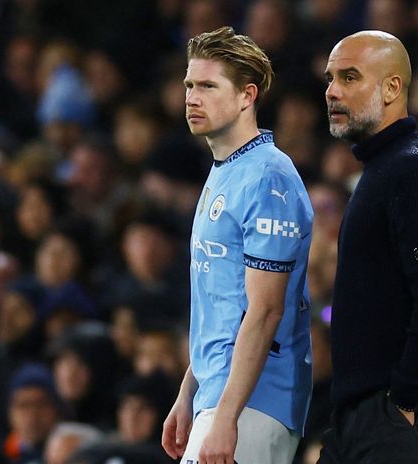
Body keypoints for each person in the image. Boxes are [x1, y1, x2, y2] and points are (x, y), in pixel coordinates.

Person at [161, 26, 314, 464]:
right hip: (221, 393)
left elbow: (264, 310)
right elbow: (223, 304)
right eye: (189, 84)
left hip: (255, 401)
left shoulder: (268, 179)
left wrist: (226, 416)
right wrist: (189, 391)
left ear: (247, 96)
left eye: (208, 86)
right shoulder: (226, 170)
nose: (192, 97)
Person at [318, 30, 418, 463]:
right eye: (330, 79)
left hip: (397, 410)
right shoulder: (386, 168)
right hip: (365, 411)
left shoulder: (411, 170)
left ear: (391, 88)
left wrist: (403, 399)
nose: (332, 91)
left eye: (349, 77)